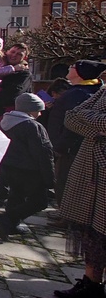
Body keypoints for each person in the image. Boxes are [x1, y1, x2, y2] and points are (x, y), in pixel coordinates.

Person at [54, 84, 106, 298]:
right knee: (91, 232)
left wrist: (91, 121)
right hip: (90, 168)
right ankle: (91, 284)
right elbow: (71, 117)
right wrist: (98, 127)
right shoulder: (103, 91)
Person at [0, 94, 55, 241]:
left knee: (16, 196)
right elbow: (44, 153)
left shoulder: (4, 122)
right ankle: (6, 219)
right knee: (39, 202)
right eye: (38, 110)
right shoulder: (33, 126)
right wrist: (49, 179)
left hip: (9, 168)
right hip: (30, 171)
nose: (40, 114)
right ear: (30, 110)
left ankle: (10, 225)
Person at [45, 60, 106, 204]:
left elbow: (73, 121)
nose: (69, 68)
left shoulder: (80, 93)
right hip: (66, 144)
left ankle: (65, 214)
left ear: (80, 73)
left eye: (73, 67)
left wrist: (61, 145)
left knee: (66, 180)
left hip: (69, 146)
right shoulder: (79, 91)